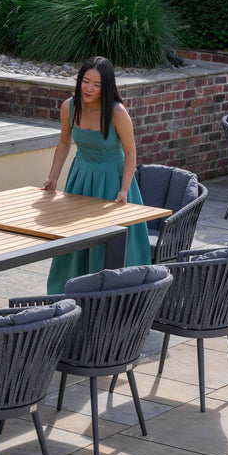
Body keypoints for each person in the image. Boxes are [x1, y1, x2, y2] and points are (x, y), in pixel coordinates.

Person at [42, 55, 151, 293]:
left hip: (112, 183)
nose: (89, 88)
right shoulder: (68, 106)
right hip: (80, 178)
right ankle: (67, 292)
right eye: (85, 81)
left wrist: (124, 189)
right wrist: (53, 177)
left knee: (106, 244)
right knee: (74, 240)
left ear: (107, 86)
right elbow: (63, 142)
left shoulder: (117, 112)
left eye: (97, 84)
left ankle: (108, 299)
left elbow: (131, 153)